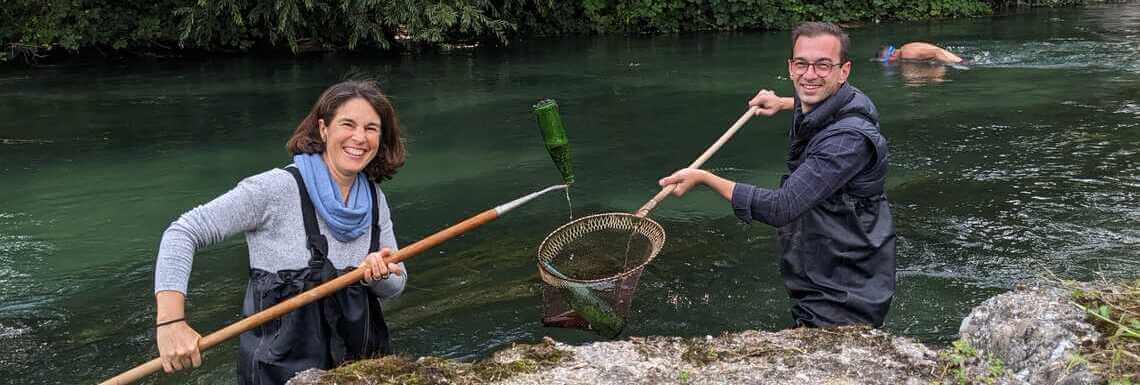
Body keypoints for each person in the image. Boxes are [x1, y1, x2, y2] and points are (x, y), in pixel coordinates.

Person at [153, 80, 409, 384]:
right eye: (348, 124)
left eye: (371, 128)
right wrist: (171, 322)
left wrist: (378, 274)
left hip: (359, 372)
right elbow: (182, 233)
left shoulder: (374, 199)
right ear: (323, 129)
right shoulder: (274, 189)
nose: (359, 137)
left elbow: (396, 285)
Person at [658, 22, 896, 328]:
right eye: (802, 64)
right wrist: (784, 102)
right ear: (791, 66)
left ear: (844, 71)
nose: (810, 74)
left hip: (846, 286)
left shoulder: (846, 142)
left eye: (823, 65)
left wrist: (705, 178)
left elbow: (782, 207)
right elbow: (815, 94)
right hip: (827, 261)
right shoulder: (847, 99)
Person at [878, 42, 964, 64]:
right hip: (959, 60)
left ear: (892, 55)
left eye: (887, 61)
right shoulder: (905, 48)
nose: (890, 63)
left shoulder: (907, 54)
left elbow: (936, 52)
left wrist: (954, 65)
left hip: (961, 63)